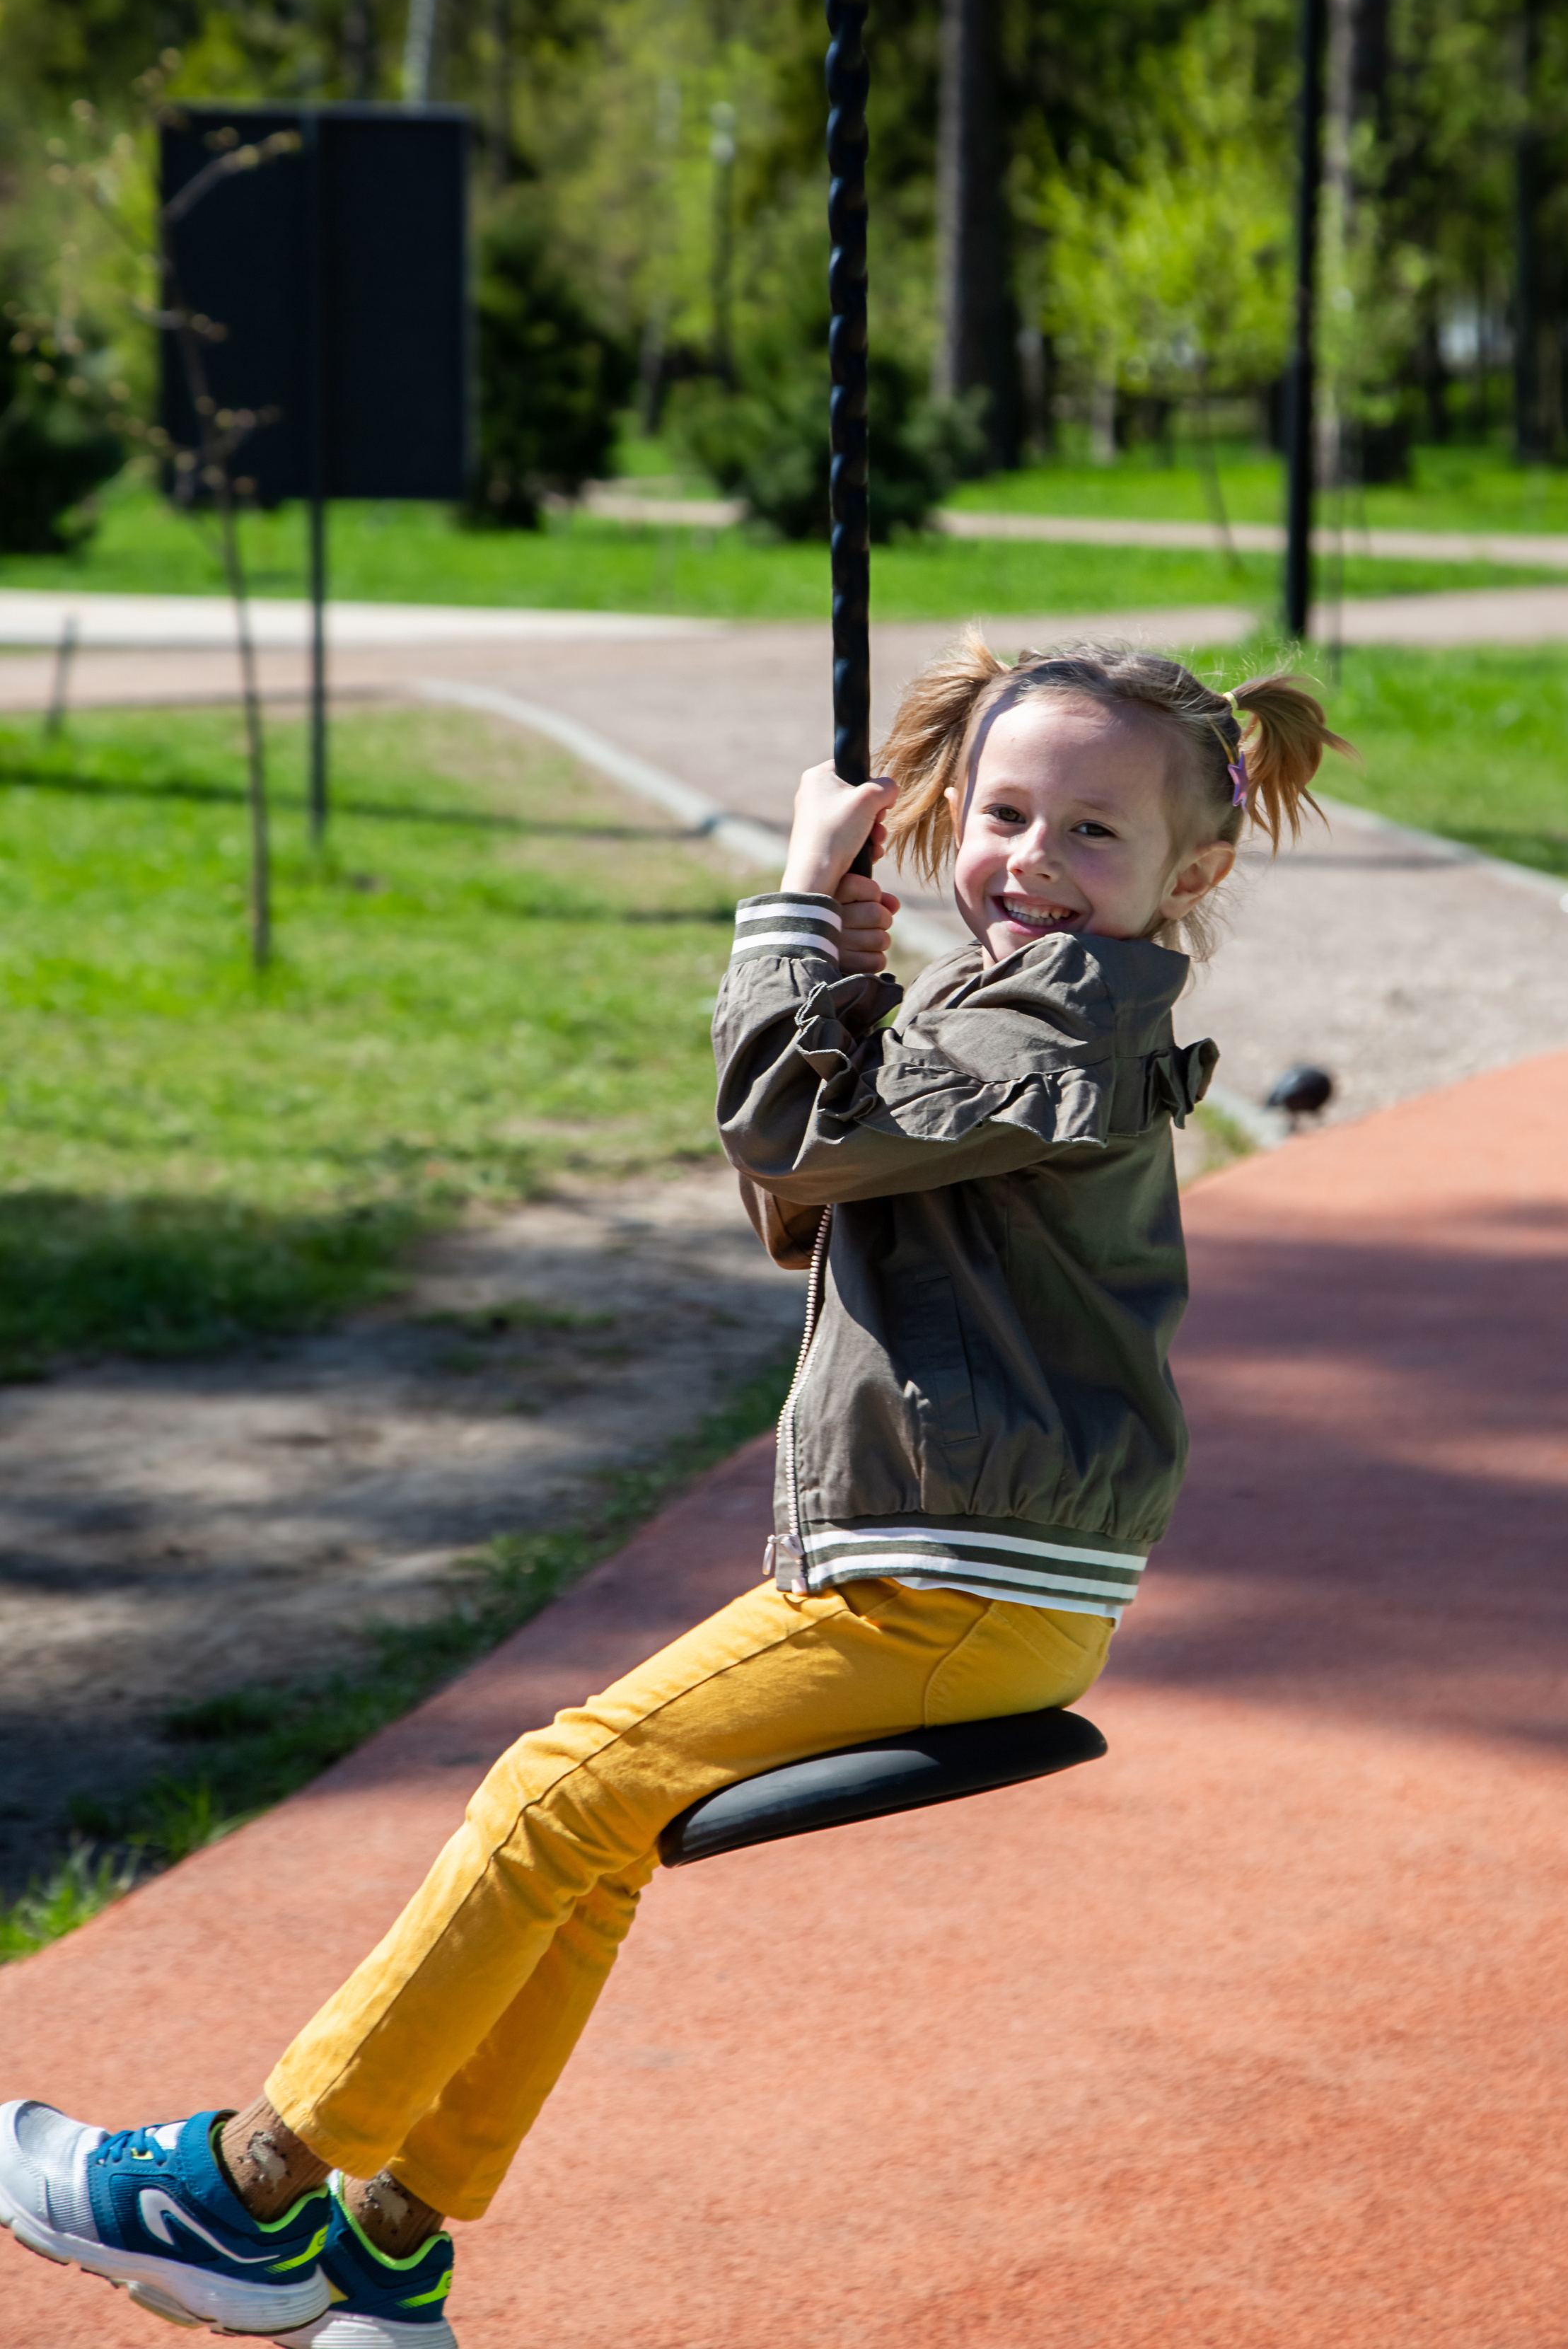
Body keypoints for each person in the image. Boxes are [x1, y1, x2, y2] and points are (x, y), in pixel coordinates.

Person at [0, 634, 1347, 2348]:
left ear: (1189, 871)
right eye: (1003, 812)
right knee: (602, 1831)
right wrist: (845, 998)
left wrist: (793, 911)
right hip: (982, 1581)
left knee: (555, 1785)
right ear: (949, 813)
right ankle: (387, 2246)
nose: (1030, 859)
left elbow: (784, 1144)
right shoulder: (1010, 1007)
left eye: (1093, 833)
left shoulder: (1065, 1017)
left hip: (946, 1581)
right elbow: (805, 1196)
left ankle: (247, 2189)